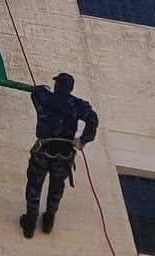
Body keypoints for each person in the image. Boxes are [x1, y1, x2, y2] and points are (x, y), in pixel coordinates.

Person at [21, 73, 99, 238]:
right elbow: (92, 118)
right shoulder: (77, 104)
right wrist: (83, 140)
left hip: (43, 150)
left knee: (34, 185)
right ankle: (49, 220)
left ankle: (30, 222)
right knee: (56, 188)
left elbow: (36, 92)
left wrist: (45, 90)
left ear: (57, 85)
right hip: (64, 153)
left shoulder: (45, 97)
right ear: (70, 88)